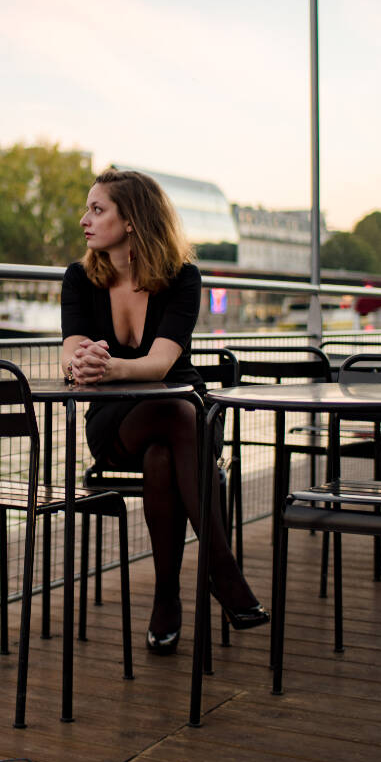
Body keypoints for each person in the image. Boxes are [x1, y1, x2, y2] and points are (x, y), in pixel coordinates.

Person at [61, 168, 269, 655]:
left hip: (182, 424)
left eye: (98, 209)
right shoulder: (79, 278)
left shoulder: (182, 278)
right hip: (117, 424)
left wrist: (108, 368)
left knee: (167, 443)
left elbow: (161, 363)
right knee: (177, 413)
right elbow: (69, 349)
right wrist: (81, 363)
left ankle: (167, 600)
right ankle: (222, 568)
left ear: (131, 219)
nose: (84, 220)